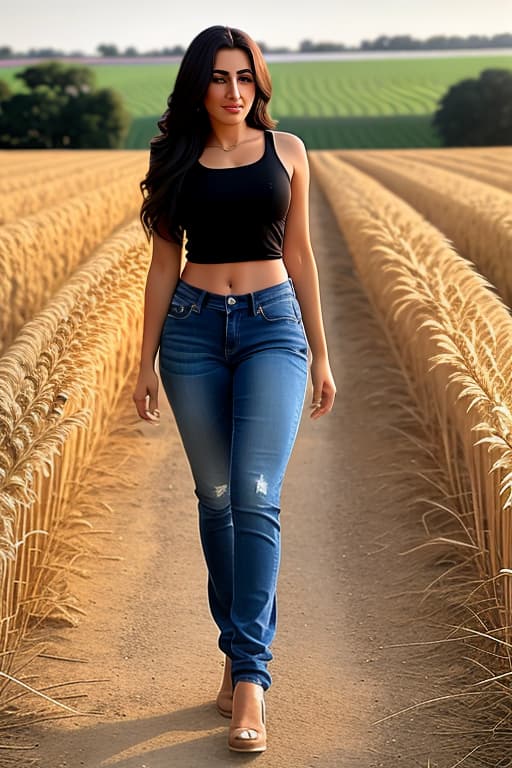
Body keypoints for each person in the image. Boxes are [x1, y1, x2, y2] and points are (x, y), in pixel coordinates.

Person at [133, 25, 336, 753]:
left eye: (245, 76)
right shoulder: (174, 158)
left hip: (272, 329)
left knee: (255, 492)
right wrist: (143, 358)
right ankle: (235, 645)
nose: (234, 91)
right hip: (191, 330)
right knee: (215, 498)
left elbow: (301, 253)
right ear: (199, 85)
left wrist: (319, 352)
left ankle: (251, 677)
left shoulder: (288, 152)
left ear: (260, 82)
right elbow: (163, 264)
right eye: (219, 78)